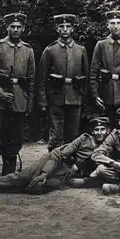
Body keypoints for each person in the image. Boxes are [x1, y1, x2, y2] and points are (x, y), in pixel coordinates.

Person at [0, 117, 111, 196]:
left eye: (102, 129)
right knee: (21, 177)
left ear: (107, 130)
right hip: (55, 163)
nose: (98, 132)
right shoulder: (84, 138)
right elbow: (58, 155)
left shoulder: (110, 144)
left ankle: (19, 186)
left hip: (67, 174)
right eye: (96, 129)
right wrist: (44, 173)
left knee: (37, 189)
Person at [0, 12, 36, 178]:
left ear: (24, 28)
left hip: (19, 100)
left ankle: (9, 175)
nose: (16, 29)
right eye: (12, 26)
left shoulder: (28, 50)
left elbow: (31, 78)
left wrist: (29, 102)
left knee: (15, 138)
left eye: (19, 27)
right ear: (7, 28)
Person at [37, 14, 89, 152]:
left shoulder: (80, 49)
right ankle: (53, 165)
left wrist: (83, 96)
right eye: (62, 26)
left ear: (72, 29)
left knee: (73, 135)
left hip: (75, 97)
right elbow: (41, 78)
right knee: (56, 136)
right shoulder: (50, 50)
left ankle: (69, 167)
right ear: (57, 29)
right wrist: (42, 101)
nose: (65, 29)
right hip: (56, 97)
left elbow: (86, 76)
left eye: (68, 27)